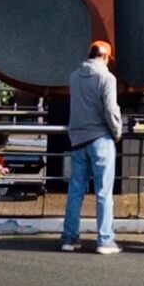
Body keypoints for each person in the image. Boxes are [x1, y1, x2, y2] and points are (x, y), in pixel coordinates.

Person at [59, 40, 124, 254]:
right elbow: (111, 109)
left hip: (78, 139)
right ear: (105, 57)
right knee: (103, 192)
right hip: (100, 138)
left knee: (75, 190)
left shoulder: (74, 77)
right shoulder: (107, 78)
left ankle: (69, 238)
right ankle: (105, 239)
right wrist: (117, 132)